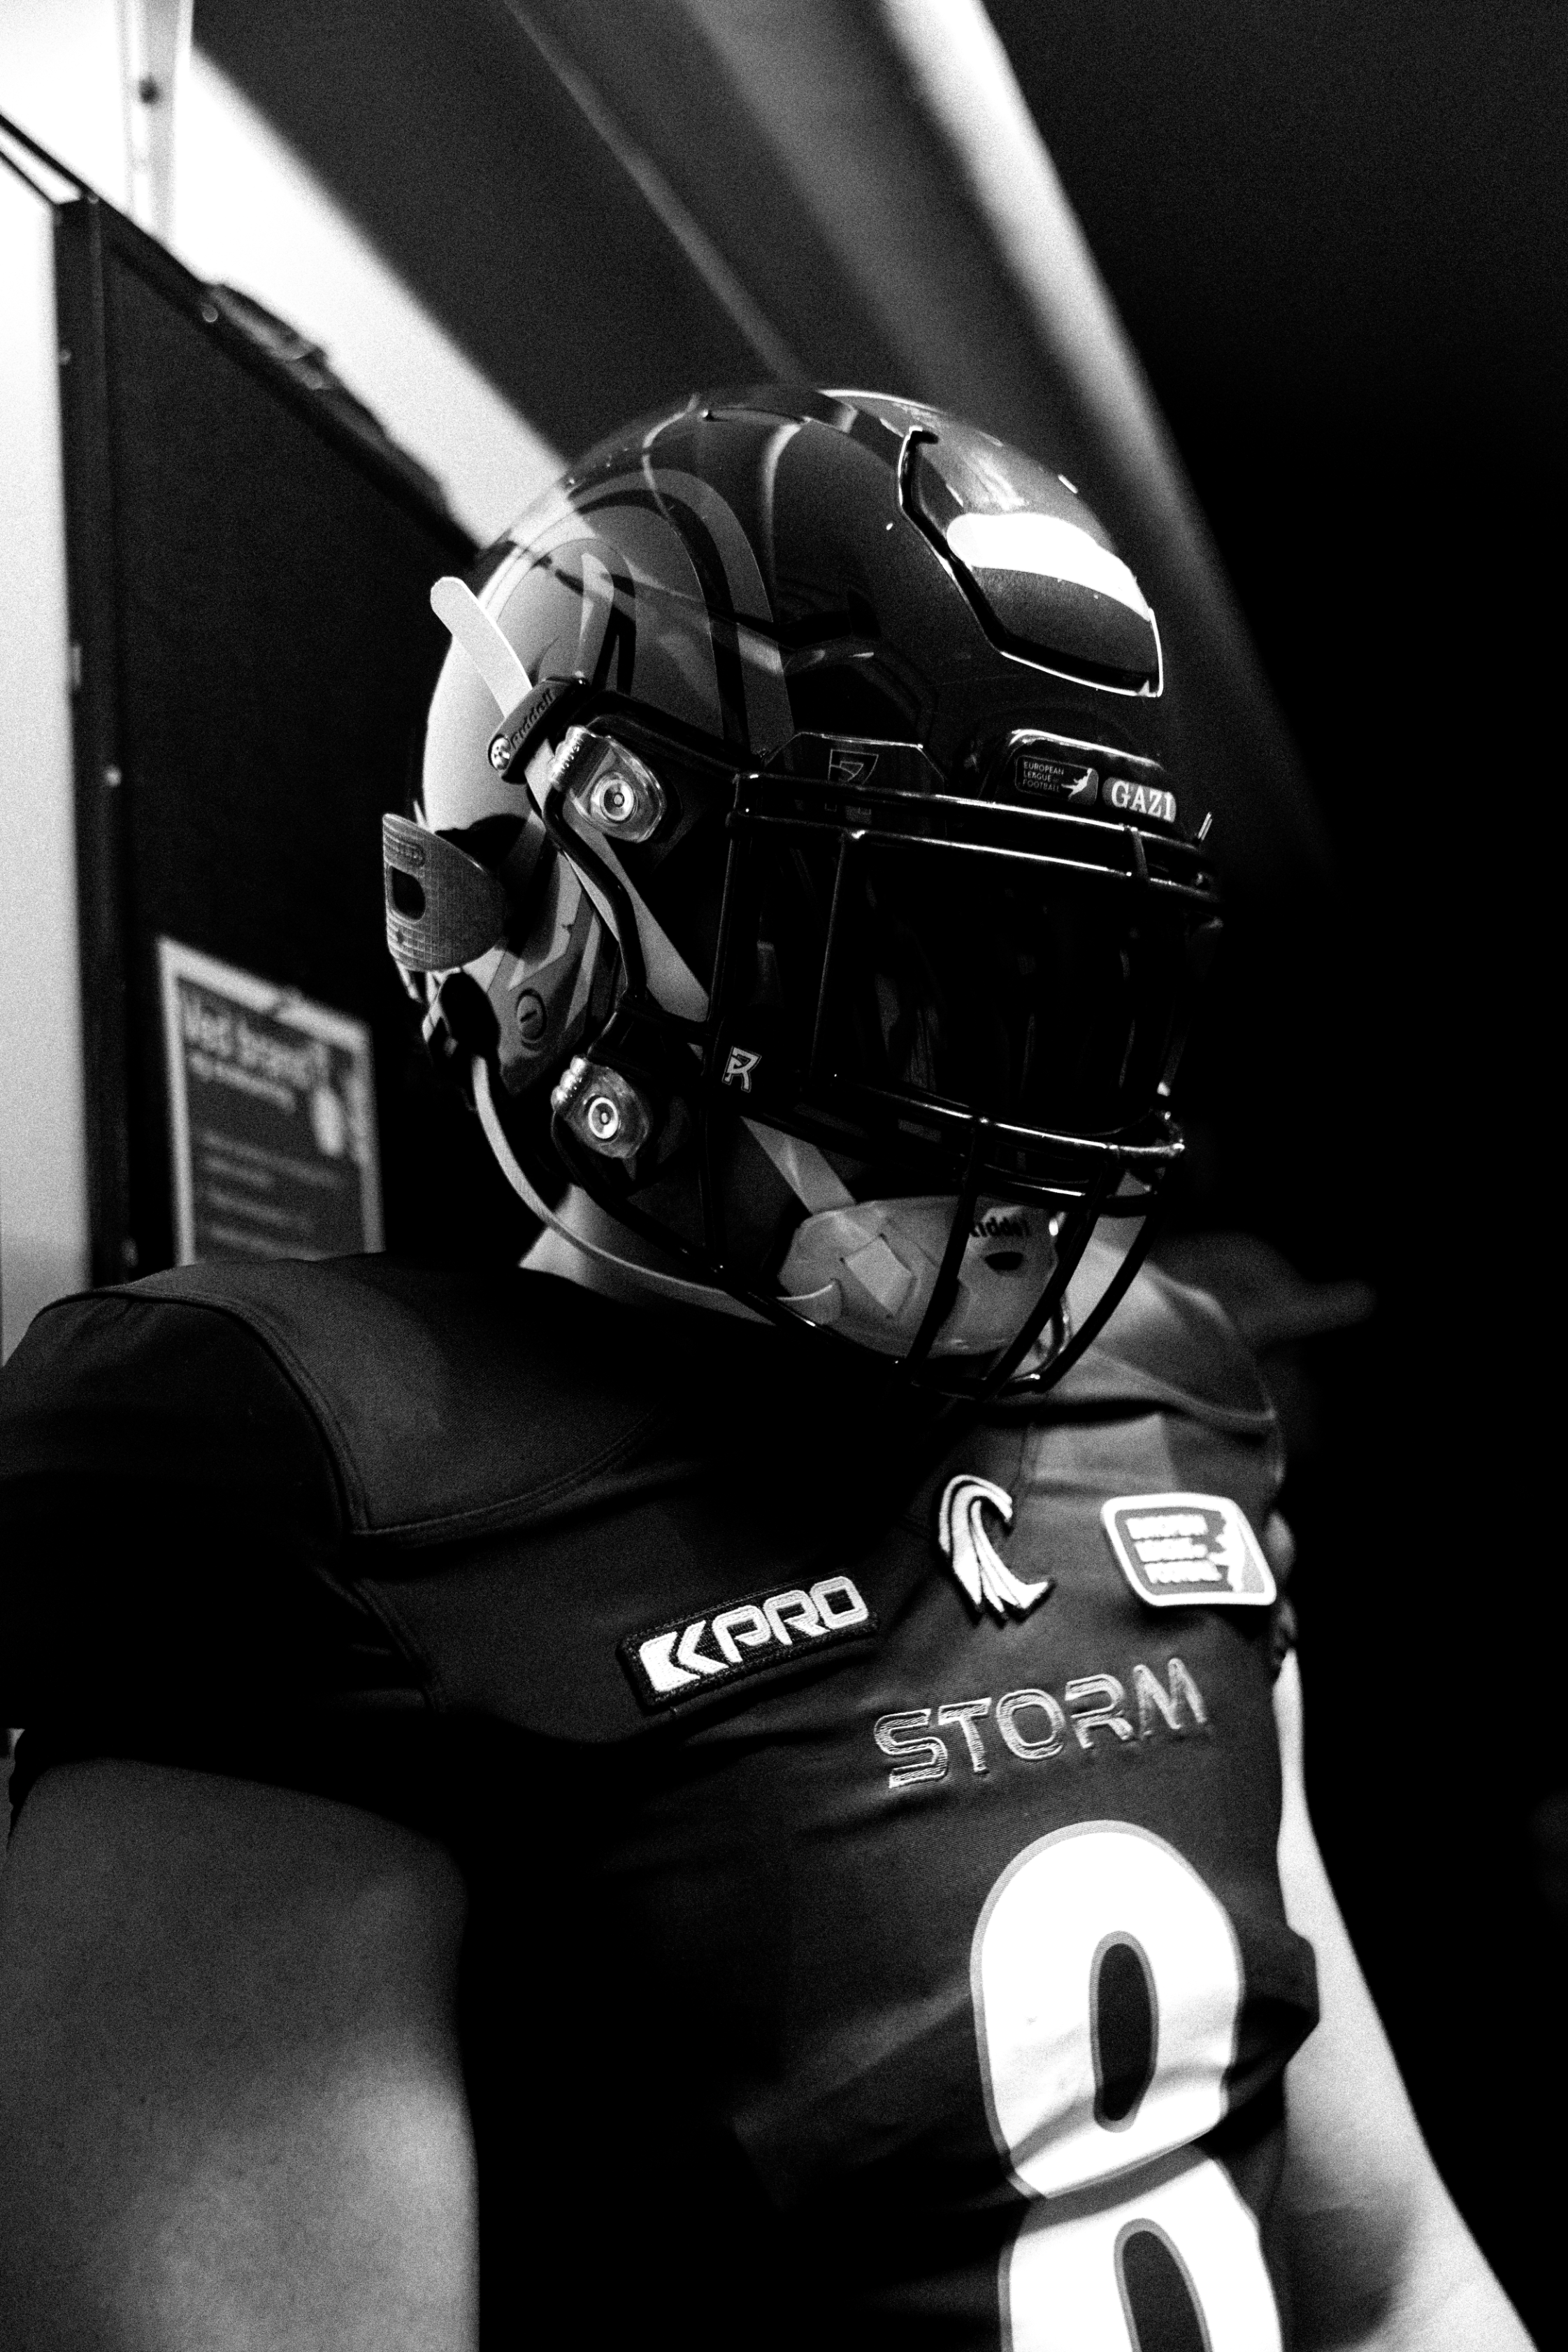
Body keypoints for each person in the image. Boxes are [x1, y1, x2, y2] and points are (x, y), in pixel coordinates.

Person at [0, 389, 1530, 2350]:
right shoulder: (324, 1484)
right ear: (560, 925)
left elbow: (1389, 2281)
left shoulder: (1165, 1405)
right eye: (912, 950)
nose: (1009, 1082)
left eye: (1063, 971)